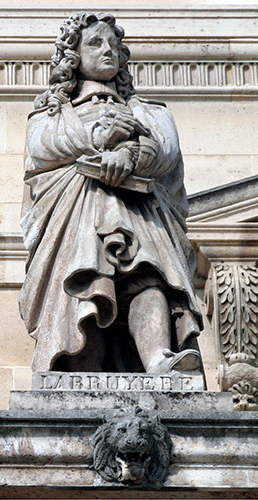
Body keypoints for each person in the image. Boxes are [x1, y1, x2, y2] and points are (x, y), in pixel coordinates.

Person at [19, 12, 203, 374]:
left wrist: (130, 153)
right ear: (73, 56)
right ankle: (76, 367)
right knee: (84, 284)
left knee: (148, 274)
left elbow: (165, 150)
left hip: (139, 212)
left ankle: (158, 359)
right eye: (95, 43)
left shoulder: (146, 110)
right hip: (77, 214)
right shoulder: (53, 112)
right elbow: (41, 147)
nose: (107, 50)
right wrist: (99, 139)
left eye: (113, 45)